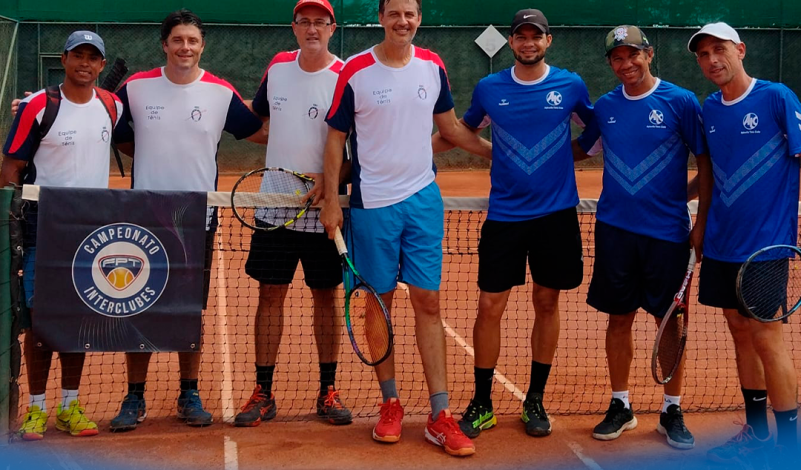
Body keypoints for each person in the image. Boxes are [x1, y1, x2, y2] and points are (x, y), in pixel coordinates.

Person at [320, 0, 491, 457]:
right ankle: (390, 403)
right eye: (394, 13)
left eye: (410, 13)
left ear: (419, 17)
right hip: (372, 205)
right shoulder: (355, 70)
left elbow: (450, 129)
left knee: (429, 302)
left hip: (422, 200)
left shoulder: (433, 65)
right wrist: (332, 200)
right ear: (381, 18)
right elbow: (335, 137)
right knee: (378, 305)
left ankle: (439, 414)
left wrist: (498, 154)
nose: (403, 21)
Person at [433, 9, 595, 439]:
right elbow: (460, 131)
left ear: (548, 41)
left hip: (556, 216)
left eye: (535, 36)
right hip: (505, 216)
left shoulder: (571, 85)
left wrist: (569, 156)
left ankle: (535, 399)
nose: (528, 43)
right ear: (511, 42)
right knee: (489, 306)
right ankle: (482, 402)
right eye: (520, 36)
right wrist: (487, 153)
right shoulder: (490, 88)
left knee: (547, 302)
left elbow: (596, 130)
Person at [108, 9, 266, 431]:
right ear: (165, 44)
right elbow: (103, 121)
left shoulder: (220, 92)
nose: (185, 47)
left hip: (198, 218)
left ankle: (189, 393)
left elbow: (260, 130)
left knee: (190, 310)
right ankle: (134, 395)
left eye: (193, 41)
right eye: (178, 40)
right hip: (143, 217)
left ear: (202, 46)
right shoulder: (135, 88)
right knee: (137, 306)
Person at [573, 25, 710, 450]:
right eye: (617, 57)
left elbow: (706, 163)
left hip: (667, 235)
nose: (626, 63)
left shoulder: (681, 101)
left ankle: (672, 408)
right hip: (615, 232)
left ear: (649, 55)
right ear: (610, 64)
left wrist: (698, 220)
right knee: (619, 319)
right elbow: (581, 150)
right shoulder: (605, 107)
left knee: (669, 323)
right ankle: (621, 405)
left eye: (633, 54)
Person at [233, 0, 352, 427]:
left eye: (321, 22)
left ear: (332, 28)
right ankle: (263, 391)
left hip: (325, 211)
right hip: (274, 207)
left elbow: (359, 145)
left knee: (326, 296)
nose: (312, 29)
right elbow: (257, 120)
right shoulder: (278, 68)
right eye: (305, 22)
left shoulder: (346, 75)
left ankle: (328, 390)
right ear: (294, 27)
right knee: (270, 295)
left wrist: (332, 180)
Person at [1, 31, 122, 440]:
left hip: (91, 232)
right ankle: (36, 408)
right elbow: (11, 167)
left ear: (101, 65)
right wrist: (9, 220)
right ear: (64, 59)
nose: (85, 63)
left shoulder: (112, 105)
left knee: (78, 319)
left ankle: (70, 405)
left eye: (92, 57)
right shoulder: (38, 105)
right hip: (42, 227)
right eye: (77, 55)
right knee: (40, 320)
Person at [689, 22, 800, 463]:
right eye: (703, 54)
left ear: (741, 50)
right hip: (721, 243)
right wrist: (697, 223)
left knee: (767, 337)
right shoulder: (709, 108)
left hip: (765, 246)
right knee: (739, 334)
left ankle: (788, 446)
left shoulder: (776, 97)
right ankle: (757, 435)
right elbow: (711, 174)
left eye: (719, 49)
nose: (712, 60)